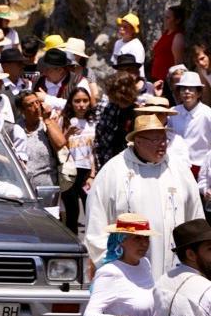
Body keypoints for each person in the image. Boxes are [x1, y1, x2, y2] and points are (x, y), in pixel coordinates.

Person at [85, 115, 203, 277]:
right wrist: (111, 267)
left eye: (164, 138)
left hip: (175, 271)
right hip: (127, 272)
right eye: (155, 140)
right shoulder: (113, 172)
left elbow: (195, 219)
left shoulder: (179, 170)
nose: (162, 144)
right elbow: (96, 223)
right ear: (138, 141)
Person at [60, 85, 97, 232]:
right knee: (72, 211)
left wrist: (93, 173)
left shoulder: (93, 121)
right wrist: (68, 133)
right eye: (77, 101)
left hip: (87, 170)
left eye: (85, 101)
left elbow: (95, 150)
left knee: (92, 208)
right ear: (71, 102)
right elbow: (59, 145)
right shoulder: (64, 120)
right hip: (69, 170)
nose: (81, 105)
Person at [11, 90, 64, 190]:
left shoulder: (46, 124)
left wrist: (47, 120)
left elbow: (60, 143)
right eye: (30, 105)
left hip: (47, 187)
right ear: (22, 110)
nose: (36, 107)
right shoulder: (15, 129)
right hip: (24, 189)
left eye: (37, 102)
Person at [170, 70, 211, 177]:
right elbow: (169, 137)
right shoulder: (173, 112)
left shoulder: (207, 114)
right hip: (177, 165)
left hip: (201, 168)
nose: (187, 92)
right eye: (183, 88)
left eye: (191, 89)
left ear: (199, 93)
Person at [150, 4, 186, 85]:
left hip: (166, 82)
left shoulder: (178, 37)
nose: (164, 20)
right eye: (165, 17)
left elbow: (178, 65)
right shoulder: (166, 33)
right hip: (157, 78)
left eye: (168, 18)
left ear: (177, 20)